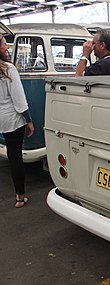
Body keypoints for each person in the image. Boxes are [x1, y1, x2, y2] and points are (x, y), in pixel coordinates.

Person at [0, 35, 34, 208]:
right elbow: (19, 101)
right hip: (12, 119)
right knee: (15, 157)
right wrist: (29, 121)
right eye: (5, 44)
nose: (7, 48)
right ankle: (20, 197)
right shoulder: (9, 69)